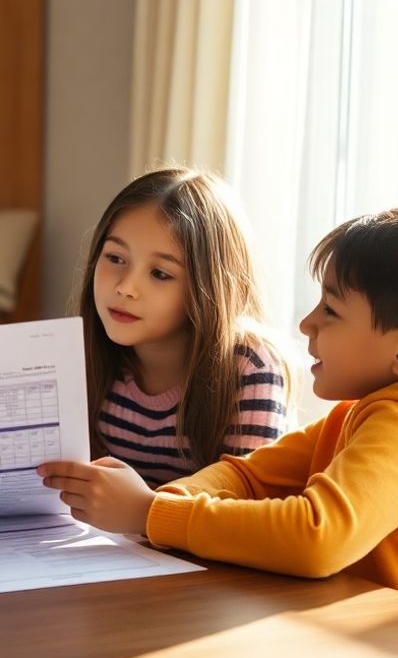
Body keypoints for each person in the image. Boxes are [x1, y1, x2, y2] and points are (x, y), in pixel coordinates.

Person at [40, 202, 398, 629]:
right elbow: (249, 474)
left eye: (331, 310)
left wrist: (150, 513)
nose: (306, 323)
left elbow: (316, 536)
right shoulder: (367, 414)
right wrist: (165, 501)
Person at [60, 168, 292, 488]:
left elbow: (248, 508)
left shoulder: (248, 367)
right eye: (115, 257)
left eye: (160, 274)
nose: (126, 287)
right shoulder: (81, 351)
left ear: (207, 287)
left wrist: (144, 511)